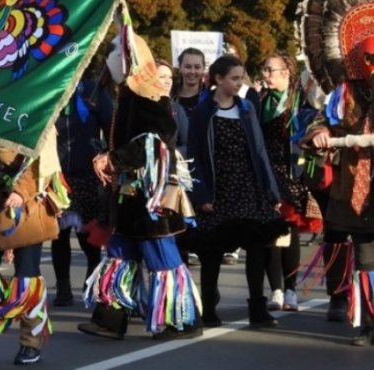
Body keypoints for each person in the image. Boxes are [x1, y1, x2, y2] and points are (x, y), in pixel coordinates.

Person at [78, 31, 201, 342]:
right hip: (129, 196)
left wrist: (114, 159)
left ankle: (182, 320)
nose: (112, 64)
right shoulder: (129, 95)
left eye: (117, 58)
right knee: (120, 255)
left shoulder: (151, 96)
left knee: (162, 256)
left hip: (151, 196)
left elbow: (155, 142)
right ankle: (110, 319)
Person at [186, 54, 287, 328]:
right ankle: (208, 309)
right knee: (212, 252)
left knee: (256, 248)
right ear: (218, 79)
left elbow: (259, 150)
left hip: (247, 187)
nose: (239, 82)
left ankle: (257, 308)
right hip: (218, 188)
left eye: (241, 77)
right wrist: (201, 194)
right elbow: (192, 155)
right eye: (234, 78)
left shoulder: (246, 108)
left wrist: (271, 190)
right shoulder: (203, 111)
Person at [0, 136, 64, 366]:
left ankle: (30, 344)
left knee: (27, 278)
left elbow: (44, 164)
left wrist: (21, 191)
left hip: (25, 210)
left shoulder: (40, 112)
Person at [258, 52, 315, 312]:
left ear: (286, 73)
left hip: (290, 174)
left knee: (289, 233)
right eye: (265, 69)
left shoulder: (299, 103)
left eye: (271, 70)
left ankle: (291, 290)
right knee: (270, 233)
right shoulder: (257, 101)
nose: (266, 74)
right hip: (265, 173)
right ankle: (276, 290)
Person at [50, 74, 112, 307]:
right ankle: (63, 286)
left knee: (89, 233)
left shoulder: (93, 89)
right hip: (57, 173)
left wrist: (106, 155)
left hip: (88, 172)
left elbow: (109, 124)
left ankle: (91, 280)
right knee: (58, 234)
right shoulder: (49, 84)